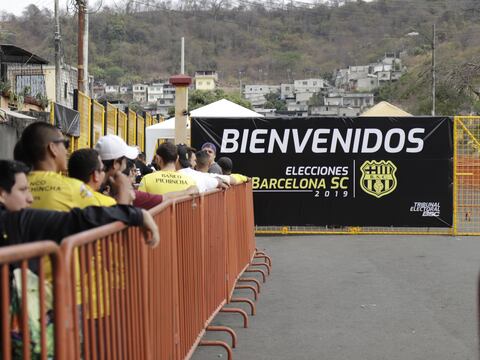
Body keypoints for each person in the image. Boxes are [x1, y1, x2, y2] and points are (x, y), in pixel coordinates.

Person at [0, 160, 159, 247]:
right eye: (22, 190)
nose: (30, 198)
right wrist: (137, 213)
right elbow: (77, 220)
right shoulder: (13, 221)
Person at [15, 122, 104, 211]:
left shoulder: (13, 187)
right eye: (65, 144)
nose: (66, 151)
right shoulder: (73, 188)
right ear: (53, 148)